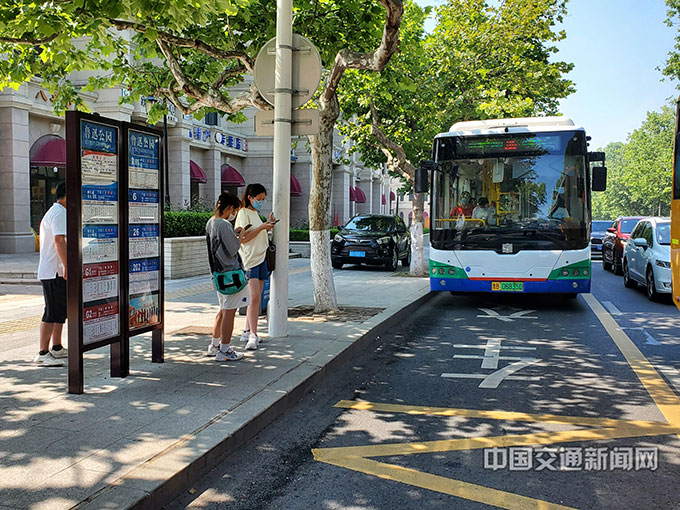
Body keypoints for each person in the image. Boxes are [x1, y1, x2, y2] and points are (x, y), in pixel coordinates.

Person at [206, 192, 250, 361]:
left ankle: (214, 345)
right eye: (235, 210)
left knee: (223, 310)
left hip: (218, 274)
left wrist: (234, 233)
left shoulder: (211, 222)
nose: (234, 214)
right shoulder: (224, 224)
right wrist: (241, 236)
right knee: (229, 312)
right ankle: (224, 350)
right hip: (230, 274)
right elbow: (233, 249)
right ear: (230, 208)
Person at [234, 183, 276, 350]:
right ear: (250, 198)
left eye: (263, 199)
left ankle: (247, 331)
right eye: (259, 199)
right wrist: (263, 227)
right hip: (250, 259)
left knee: (256, 298)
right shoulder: (243, 213)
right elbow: (243, 238)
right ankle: (253, 334)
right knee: (254, 298)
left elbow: (256, 233)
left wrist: (267, 225)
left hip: (261, 257)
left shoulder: (255, 213)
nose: (261, 202)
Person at [35, 181, 68, 366]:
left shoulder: (56, 211)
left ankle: (56, 347)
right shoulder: (59, 212)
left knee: (59, 310)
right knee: (52, 311)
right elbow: (59, 240)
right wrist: (67, 265)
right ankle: (43, 352)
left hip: (54, 271)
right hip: (53, 271)